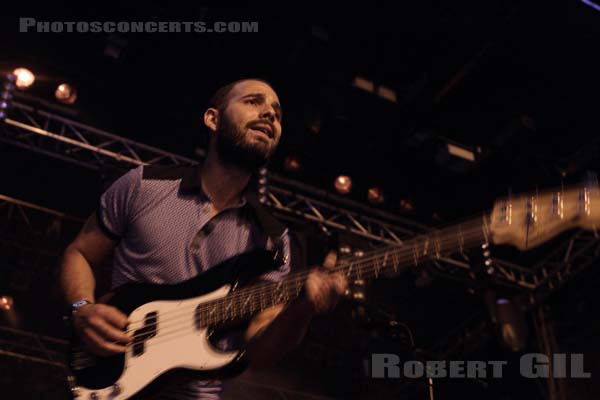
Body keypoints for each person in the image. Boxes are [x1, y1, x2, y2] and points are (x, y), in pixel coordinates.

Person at [59, 78, 347, 399]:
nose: (270, 114)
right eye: (253, 102)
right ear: (213, 119)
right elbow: (79, 254)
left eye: (277, 113)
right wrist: (82, 308)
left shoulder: (274, 241)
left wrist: (303, 309)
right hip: (112, 378)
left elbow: (261, 352)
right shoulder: (144, 185)